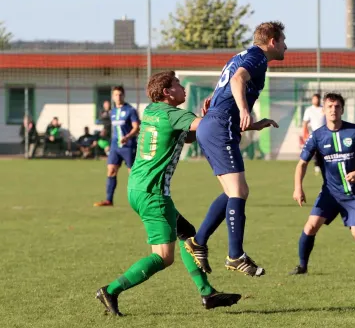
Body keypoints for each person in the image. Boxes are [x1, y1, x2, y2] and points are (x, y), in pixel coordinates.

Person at [95, 71, 241, 316]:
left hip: (137, 188)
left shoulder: (153, 111)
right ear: (166, 92)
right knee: (163, 257)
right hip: (153, 194)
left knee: (188, 235)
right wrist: (232, 111)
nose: (182, 87)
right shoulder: (174, 114)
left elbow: (189, 137)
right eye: (177, 84)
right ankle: (110, 290)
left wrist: (202, 117)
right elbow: (209, 128)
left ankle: (208, 294)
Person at [184, 21, 287, 277]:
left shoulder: (240, 56)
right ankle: (235, 255)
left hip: (213, 125)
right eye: (284, 41)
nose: (286, 46)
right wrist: (244, 110)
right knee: (239, 191)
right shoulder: (257, 58)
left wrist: (252, 124)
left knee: (233, 192)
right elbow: (238, 80)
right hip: (218, 126)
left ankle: (198, 242)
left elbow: (223, 93)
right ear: (272, 41)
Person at [289, 92, 355, 275]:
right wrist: (298, 188)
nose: (333, 110)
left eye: (337, 107)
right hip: (330, 193)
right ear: (324, 110)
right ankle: (302, 266)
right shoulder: (317, 136)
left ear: (342, 109)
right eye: (329, 106)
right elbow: (302, 163)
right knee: (310, 226)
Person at [94, 86, 140, 207]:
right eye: (116, 95)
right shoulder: (113, 112)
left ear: (124, 95)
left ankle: (140, 200)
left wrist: (128, 137)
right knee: (111, 171)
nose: (118, 97)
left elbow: (136, 127)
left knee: (133, 174)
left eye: (120, 94)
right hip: (115, 146)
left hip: (128, 146)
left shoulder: (130, 110)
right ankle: (109, 200)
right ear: (113, 97)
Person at [301, 93, 326, 174]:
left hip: (325, 133)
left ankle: (325, 165)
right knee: (315, 151)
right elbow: (305, 123)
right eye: (314, 99)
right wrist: (305, 133)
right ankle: (317, 165)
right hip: (314, 134)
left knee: (325, 150)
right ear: (312, 100)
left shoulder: (323, 109)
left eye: (317, 99)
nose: (316, 100)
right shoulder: (309, 110)